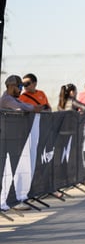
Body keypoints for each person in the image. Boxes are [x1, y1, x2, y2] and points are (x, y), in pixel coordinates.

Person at [0, 75, 43, 210]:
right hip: (6, 141)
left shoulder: (12, 99)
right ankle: (7, 200)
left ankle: (14, 199)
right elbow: (21, 108)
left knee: (15, 170)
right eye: (19, 87)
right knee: (7, 172)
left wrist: (30, 107)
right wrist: (32, 108)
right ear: (12, 87)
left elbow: (23, 106)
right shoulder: (6, 99)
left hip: (12, 140)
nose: (21, 90)